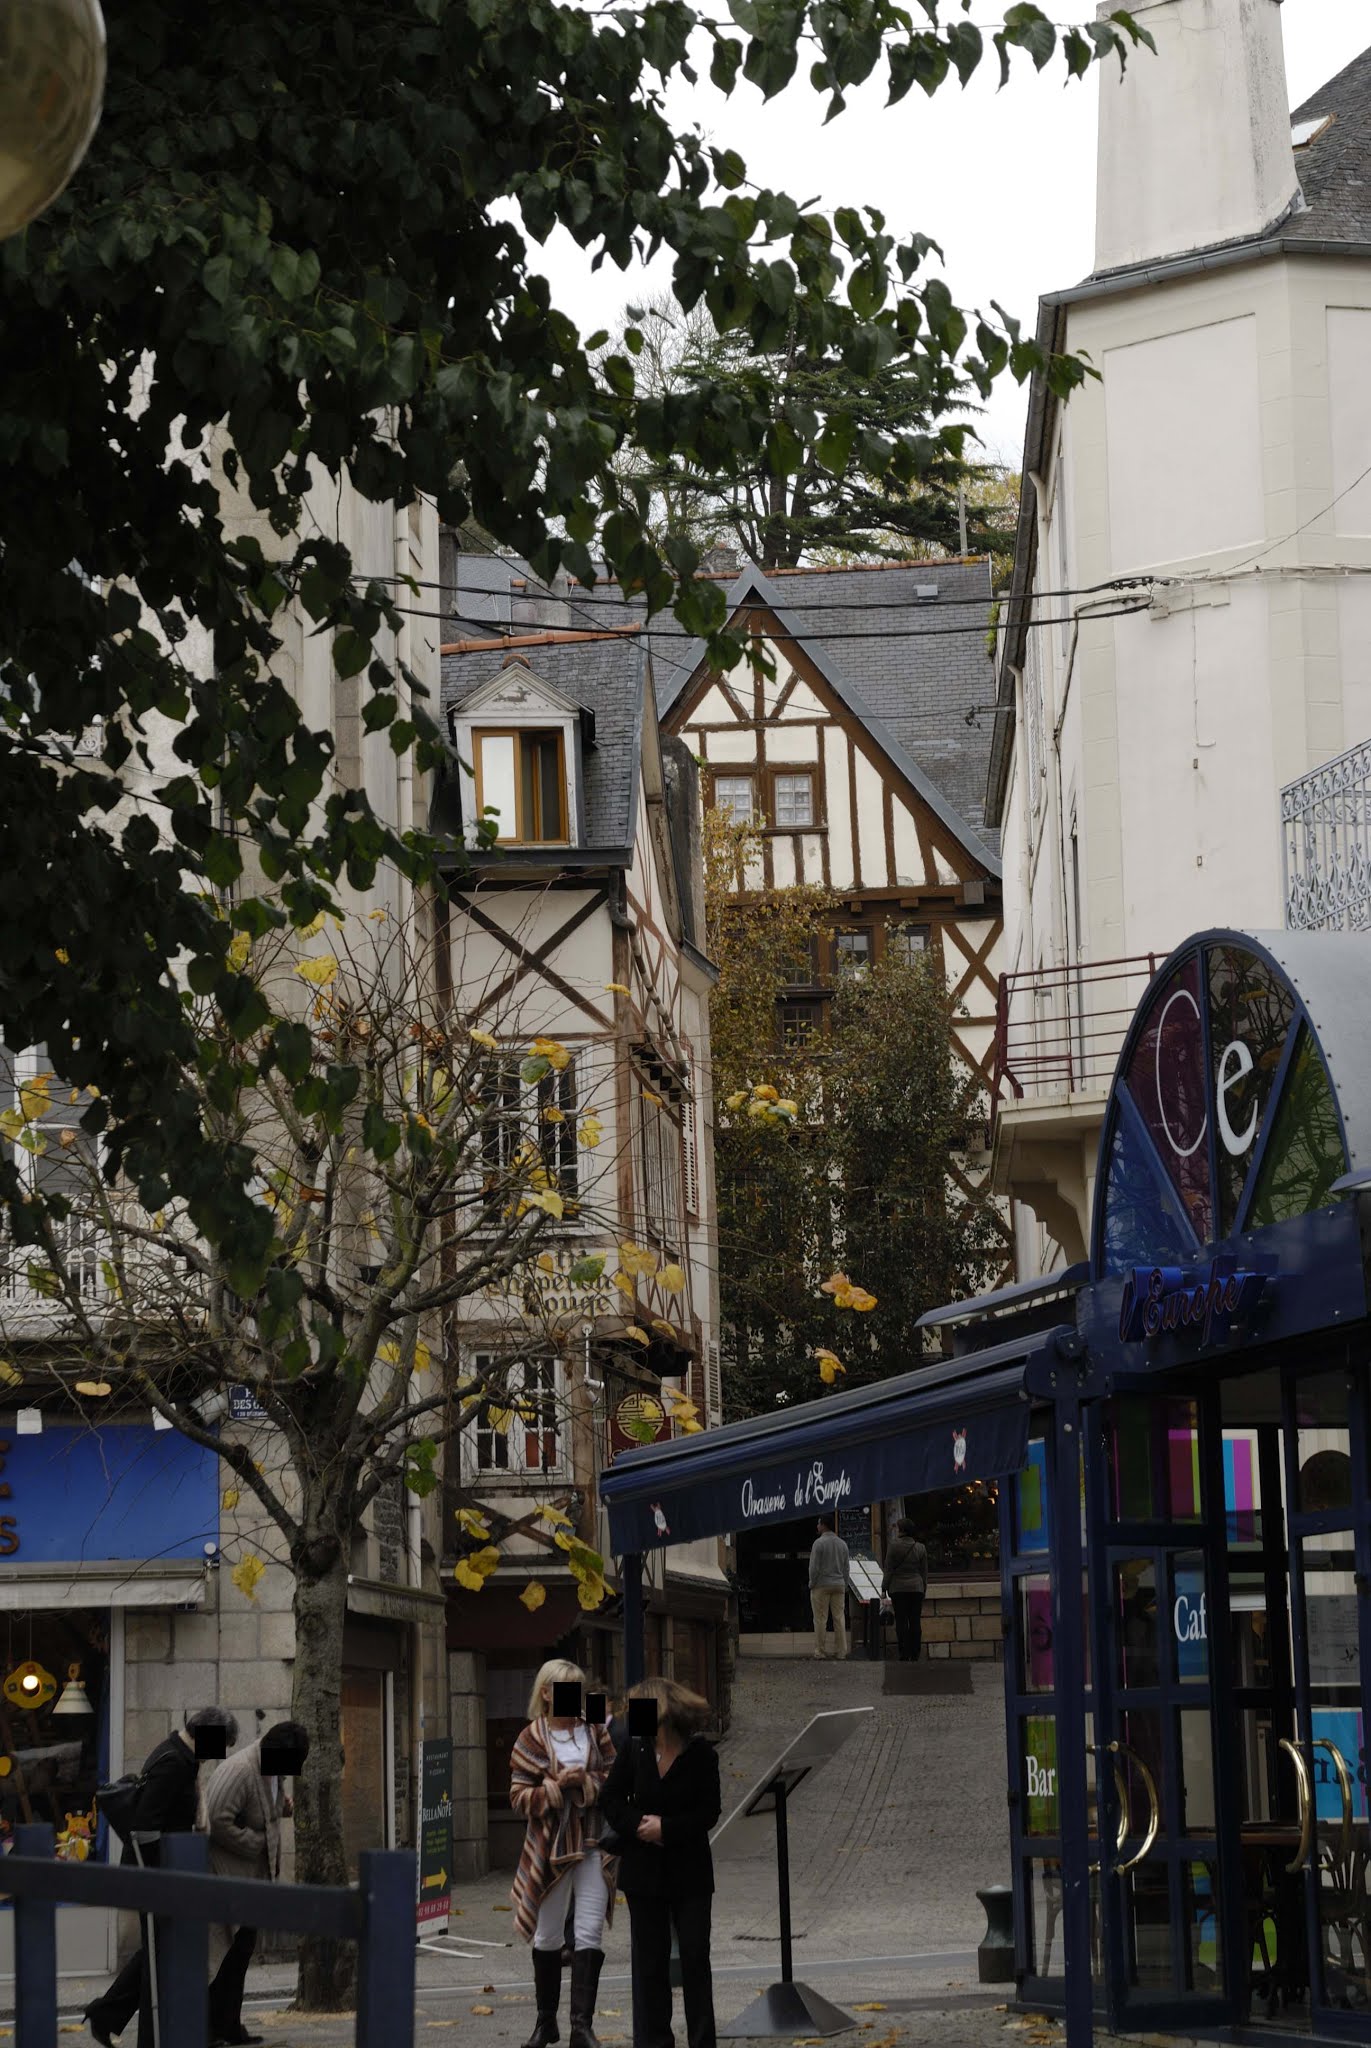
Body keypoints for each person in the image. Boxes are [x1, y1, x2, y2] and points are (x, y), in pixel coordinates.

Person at [84, 1706, 239, 2048]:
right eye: (220, 1744)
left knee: (158, 1952)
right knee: (158, 1957)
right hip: (157, 1874)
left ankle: (106, 2015)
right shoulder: (174, 1763)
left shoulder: (183, 1757)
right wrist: (162, 1875)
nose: (220, 1753)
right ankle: (149, 2038)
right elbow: (145, 1825)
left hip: (166, 1872)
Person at [601, 1676, 720, 2048]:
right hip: (644, 1874)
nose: (630, 1716)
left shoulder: (701, 1755)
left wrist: (666, 1828)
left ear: (662, 1711)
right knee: (650, 1965)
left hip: (690, 1872)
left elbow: (708, 1812)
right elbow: (610, 1799)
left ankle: (702, 2040)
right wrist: (639, 1825)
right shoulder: (634, 1749)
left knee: (695, 1959)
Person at [510, 1658, 617, 2048]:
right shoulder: (530, 1738)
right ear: (546, 1693)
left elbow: (614, 1776)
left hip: (591, 1840)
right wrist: (549, 1790)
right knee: (548, 1933)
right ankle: (546, 2023)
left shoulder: (594, 1730)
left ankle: (581, 2027)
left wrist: (586, 1781)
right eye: (566, 1688)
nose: (574, 1696)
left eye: (578, 1688)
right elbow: (518, 1795)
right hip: (549, 1845)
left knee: (589, 1930)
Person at [204, 1719, 310, 2048]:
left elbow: (262, 1810)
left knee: (239, 1956)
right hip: (227, 1876)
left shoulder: (271, 1771)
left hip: (252, 1881)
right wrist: (255, 1842)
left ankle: (229, 2027)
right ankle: (211, 2030)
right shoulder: (240, 1771)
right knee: (222, 1957)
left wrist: (281, 1808)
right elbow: (216, 1818)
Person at [881, 1515, 929, 1662]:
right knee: (915, 1621)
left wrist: (884, 1588)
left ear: (901, 1530)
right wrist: (923, 1588)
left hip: (898, 1588)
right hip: (916, 1588)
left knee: (901, 1621)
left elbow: (888, 1569)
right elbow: (924, 1572)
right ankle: (915, 1652)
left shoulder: (893, 1546)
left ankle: (904, 1652)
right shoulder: (920, 1548)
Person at [808, 1514, 852, 1660]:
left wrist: (812, 1583)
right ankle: (841, 1651)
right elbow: (846, 1568)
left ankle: (820, 1651)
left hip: (821, 1584)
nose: (817, 1526)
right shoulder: (842, 1544)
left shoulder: (818, 1543)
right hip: (839, 1584)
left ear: (823, 1525)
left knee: (820, 1619)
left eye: (818, 1523)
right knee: (839, 1618)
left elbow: (814, 1567)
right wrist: (844, 1584)